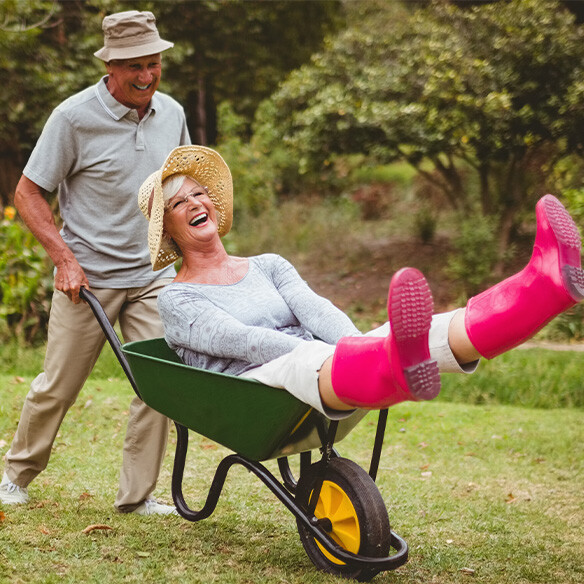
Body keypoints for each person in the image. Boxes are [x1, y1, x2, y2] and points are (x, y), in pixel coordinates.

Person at [138, 145, 584, 418]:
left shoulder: (268, 263)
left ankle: (542, 289)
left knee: (428, 328)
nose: (197, 203)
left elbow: (316, 309)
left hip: (327, 367)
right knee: (317, 358)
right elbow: (244, 342)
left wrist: (358, 343)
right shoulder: (178, 298)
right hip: (257, 389)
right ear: (169, 231)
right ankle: (384, 363)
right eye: (179, 203)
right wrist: (343, 354)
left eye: (200, 193)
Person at [0, 11, 191, 514]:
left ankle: (137, 496)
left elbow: (182, 187)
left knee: (159, 384)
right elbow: (28, 191)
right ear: (111, 66)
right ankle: (15, 476)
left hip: (152, 274)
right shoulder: (73, 117)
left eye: (154, 64)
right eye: (135, 67)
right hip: (86, 279)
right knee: (58, 385)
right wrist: (64, 259)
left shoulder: (171, 113)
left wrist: (190, 258)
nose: (147, 76)